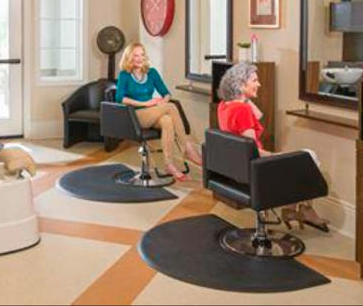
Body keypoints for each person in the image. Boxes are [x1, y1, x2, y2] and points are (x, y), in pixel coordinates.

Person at [217, 62, 330, 232]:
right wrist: (274, 155)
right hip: (256, 169)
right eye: (254, 80)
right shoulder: (242, 111)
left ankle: (293, 210)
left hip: (237, 169)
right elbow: (252, 151)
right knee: (309, 156)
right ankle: (301, 209)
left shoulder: (224, 106)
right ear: (240, 85)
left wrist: (245, 96)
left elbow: (258, 115)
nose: (259, 84)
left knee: (302, 160)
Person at [115, 43, 202, 181]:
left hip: (152, 112)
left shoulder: (152, 73)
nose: (140, 58)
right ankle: (187, 147)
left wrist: (162, 102)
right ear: (129, 58)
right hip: (136, 115)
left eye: (142, 55)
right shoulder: (124, 75)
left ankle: (169, 164)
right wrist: (145, 103)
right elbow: (120, 98)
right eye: (136, 55)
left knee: (167, 120)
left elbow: (166, 93)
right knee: (171, 107)